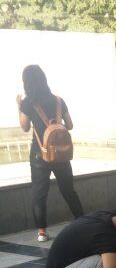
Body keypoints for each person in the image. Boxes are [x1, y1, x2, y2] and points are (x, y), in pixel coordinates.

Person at [17, 65, 84, 243]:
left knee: (39, 192)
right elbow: (70, 125)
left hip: (39, 154)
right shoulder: (58, 100)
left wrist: (19, 107)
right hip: (61, 153)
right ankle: (82, 221)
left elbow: (25, 127)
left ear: (26, 82)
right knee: (68, 190)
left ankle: (42, 232)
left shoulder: (27, 103)